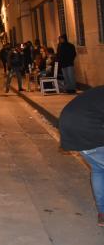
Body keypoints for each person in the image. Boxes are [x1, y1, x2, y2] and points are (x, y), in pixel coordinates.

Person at [58, 86, 104, 226]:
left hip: (69, 126)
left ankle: (102, 214)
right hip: (87, 129)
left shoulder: (99, 92)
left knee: (98, 169)